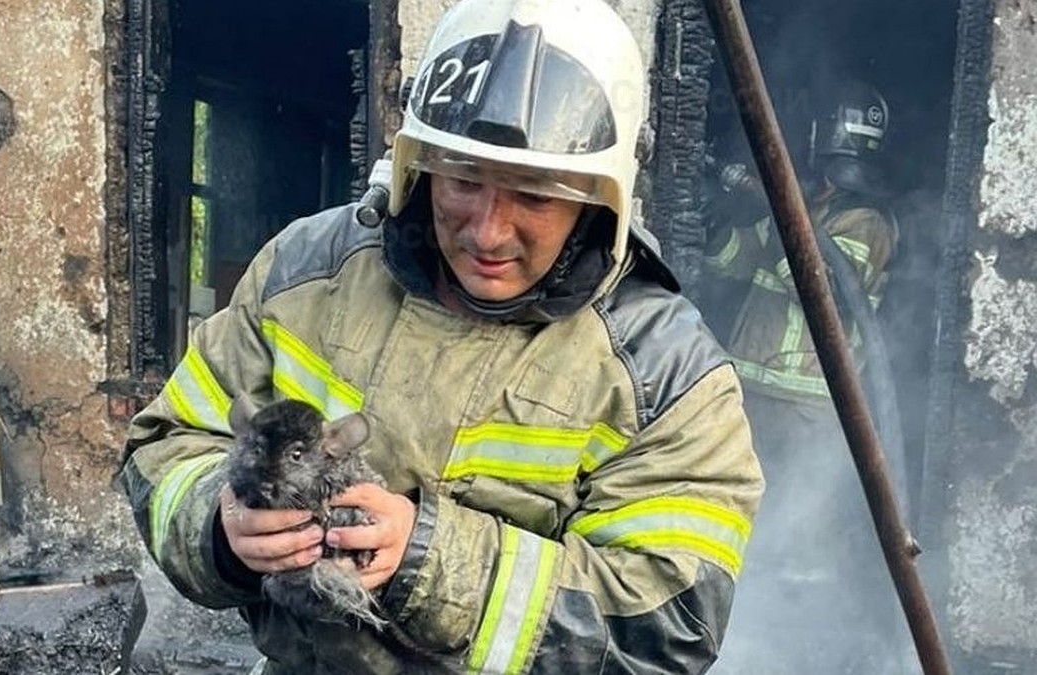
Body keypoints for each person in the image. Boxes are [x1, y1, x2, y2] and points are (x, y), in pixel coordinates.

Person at [120, 0, 763, 672]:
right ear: (418, 165)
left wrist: (428, 561)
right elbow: (166, 444)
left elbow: (667, 626)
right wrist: (219, 527)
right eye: (462, 180)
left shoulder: (665, 374)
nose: (486, 230)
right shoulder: (306, 274)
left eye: (535, 195)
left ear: (600, 197)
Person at [702, 80, 913, 673]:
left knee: (799, 532)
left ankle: (802, 643)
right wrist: (720, 223)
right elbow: (740, 258)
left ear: (824, 138)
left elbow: (819, 282)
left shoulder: (869, 222)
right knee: (736, 522)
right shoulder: (810, 206)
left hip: (810, 410)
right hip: (748, 396)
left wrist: (768, 200)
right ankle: (736, 634)